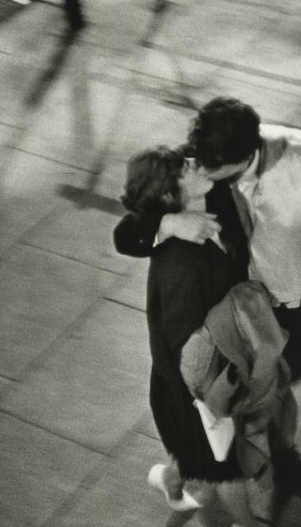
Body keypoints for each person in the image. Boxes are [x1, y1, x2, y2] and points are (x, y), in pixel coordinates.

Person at [114, 97, 301, 504]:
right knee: (227, 427)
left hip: (274, 311)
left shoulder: (288, 168)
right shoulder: (199, 164)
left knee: (280, 396)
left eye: (207, 165)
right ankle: (189, 477)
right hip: (227, 324)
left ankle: (284, 465)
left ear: (240, 161)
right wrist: (169, 222)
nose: (197, 166)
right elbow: (125, 233)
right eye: (193, 159)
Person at [122, 146, 257, 523]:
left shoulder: (206, 197)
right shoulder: (181, 263)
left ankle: (172, 477)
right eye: (185, 167)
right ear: (170, 196)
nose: (195, 162)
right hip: (197, 390)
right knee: (224, 471)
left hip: (207, 379)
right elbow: (191, 353)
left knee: (204, 466)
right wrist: (225, 392)